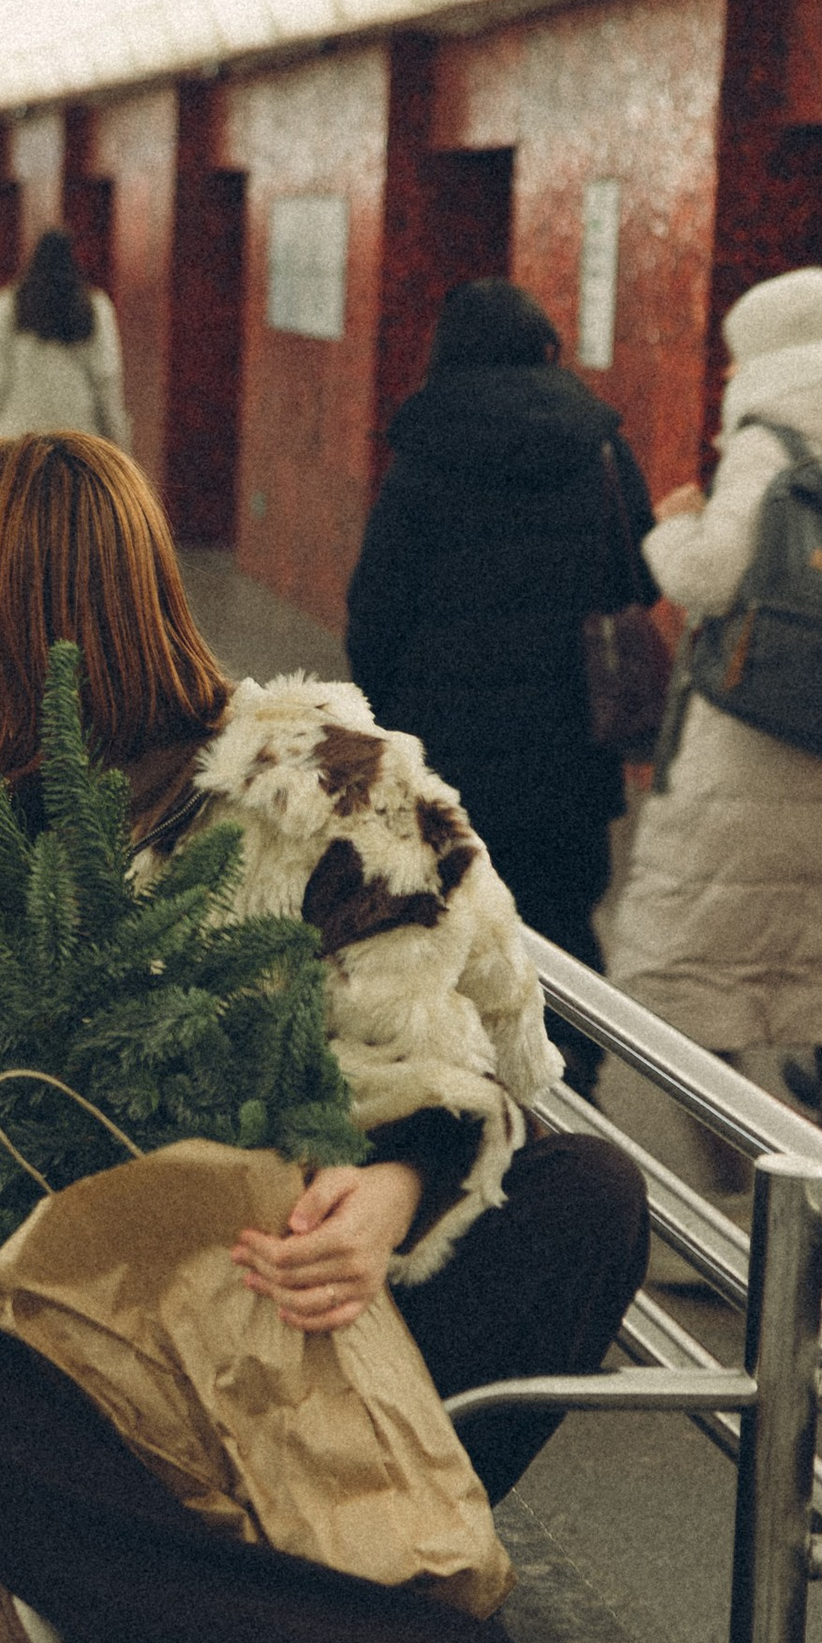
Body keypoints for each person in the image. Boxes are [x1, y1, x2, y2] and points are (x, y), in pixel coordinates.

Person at [0, 430, 650, 1643]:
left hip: (312, 1305)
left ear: (16, 620)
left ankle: (134, 1608)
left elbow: (461, 1047)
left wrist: (394, 1189)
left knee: (592, 1194)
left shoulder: (317, 783)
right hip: (118, 1359)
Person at [612, 268, 822, 1185]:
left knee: (673, 984)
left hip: (744, 752)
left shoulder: (766, 444)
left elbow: (708, 580)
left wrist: (670, 528)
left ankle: (769, 1199)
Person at [347, 280, 655, 1083]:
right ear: (544, 342)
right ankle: (568, 1084)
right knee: (561, 920)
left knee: (449, 918)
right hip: (568, 747)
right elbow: (637, 572)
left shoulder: (425, 446)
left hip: (448, 745)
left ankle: (460, 1095)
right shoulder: (596, 443)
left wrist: (386, 718)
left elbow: (376, 604)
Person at [0, 227, 128, 444]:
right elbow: (106, 376)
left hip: (15, 430)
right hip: (77, 432)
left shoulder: (8, 304)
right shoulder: (94, 306)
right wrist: (115, 434)